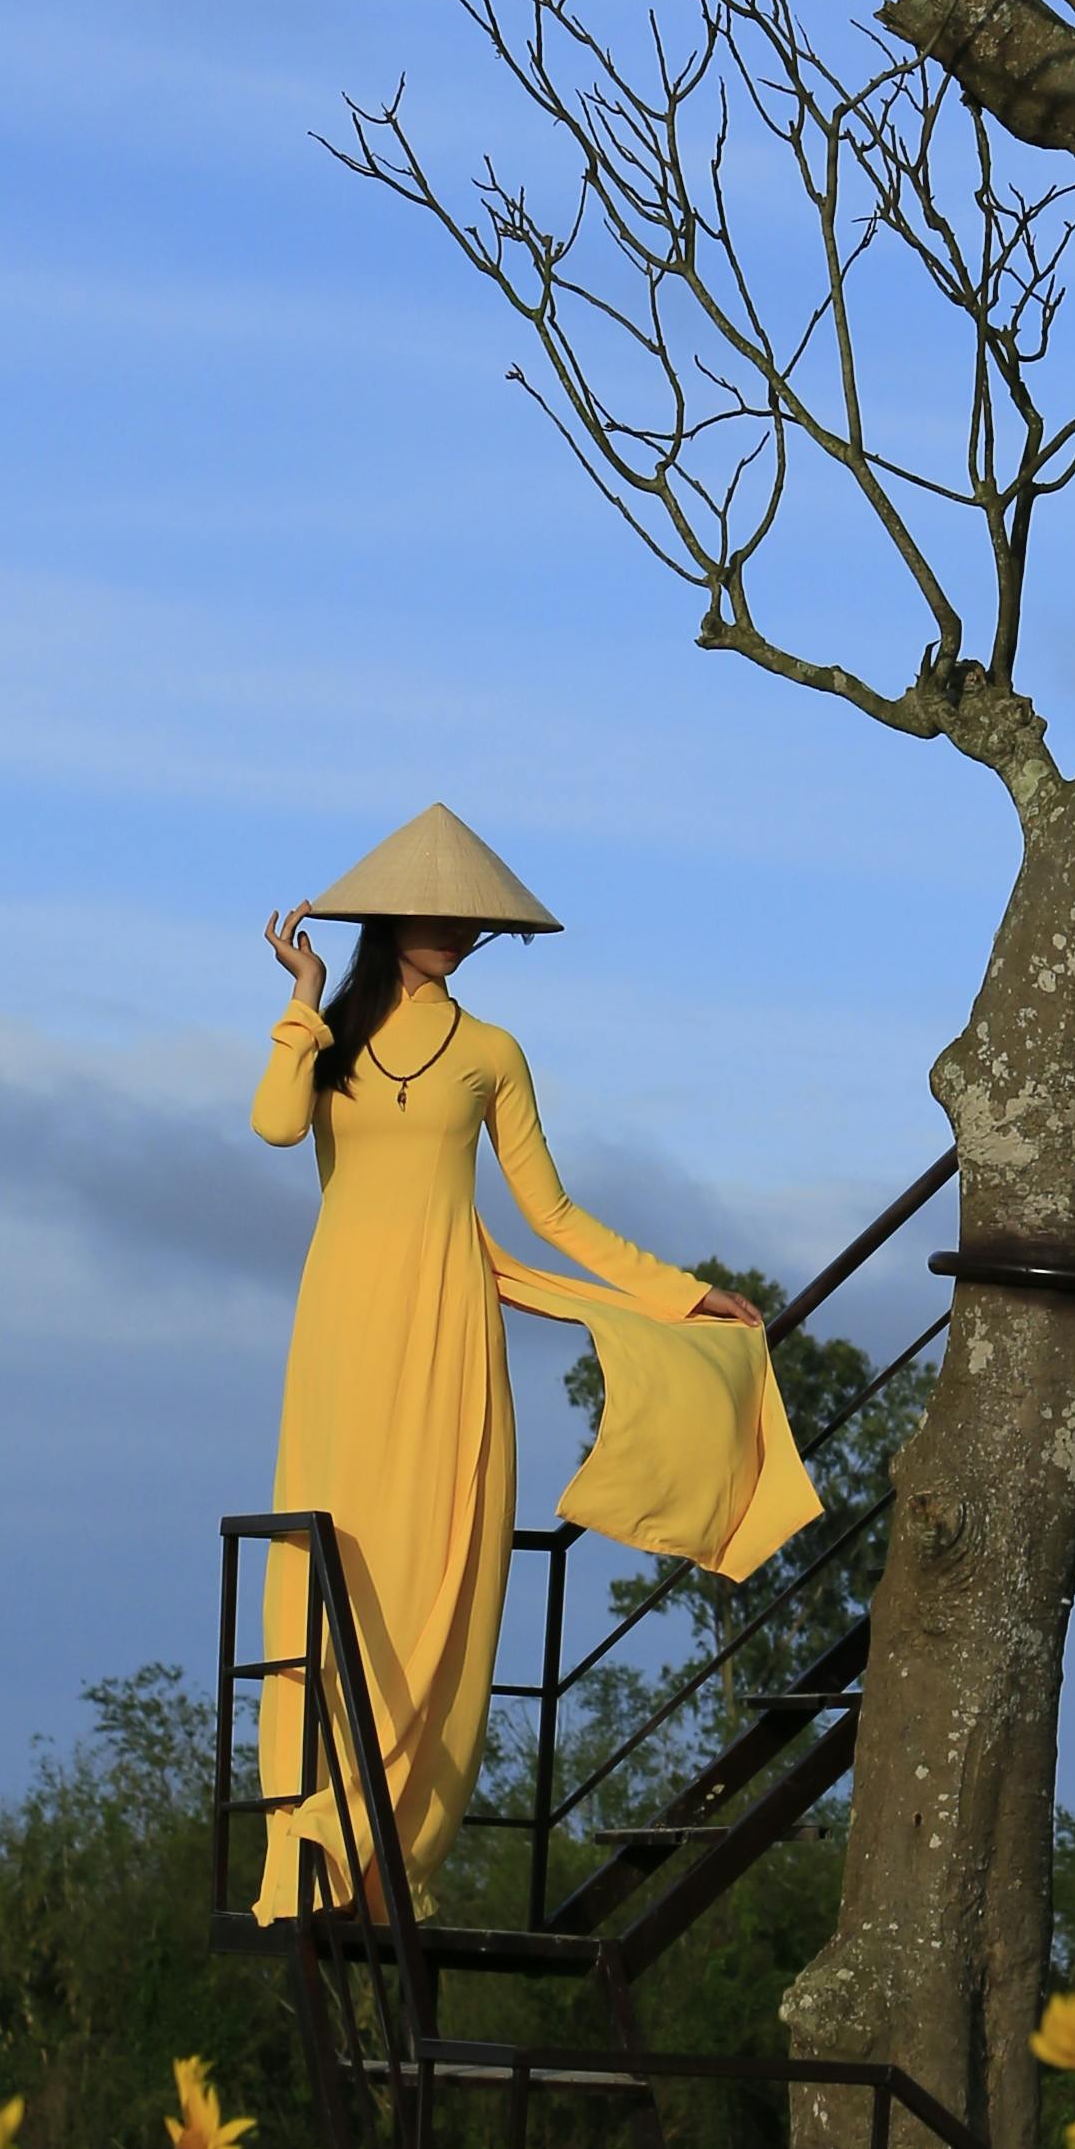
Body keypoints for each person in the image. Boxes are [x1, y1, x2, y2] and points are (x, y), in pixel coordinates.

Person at [248, 798, 818, 1924]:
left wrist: (680, 1291)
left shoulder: (494, 1053)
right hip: (341, 1326)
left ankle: (388, 1853)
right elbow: (274, 1127)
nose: (459, 933)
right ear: (393, 915)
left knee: (441, 1566)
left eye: (475, 921)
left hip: (452, 1320)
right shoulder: (334, 1038)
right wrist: (301, 1006)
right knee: (336, 1563)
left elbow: (551, 1212)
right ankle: (309, 1833)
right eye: (440, 914)